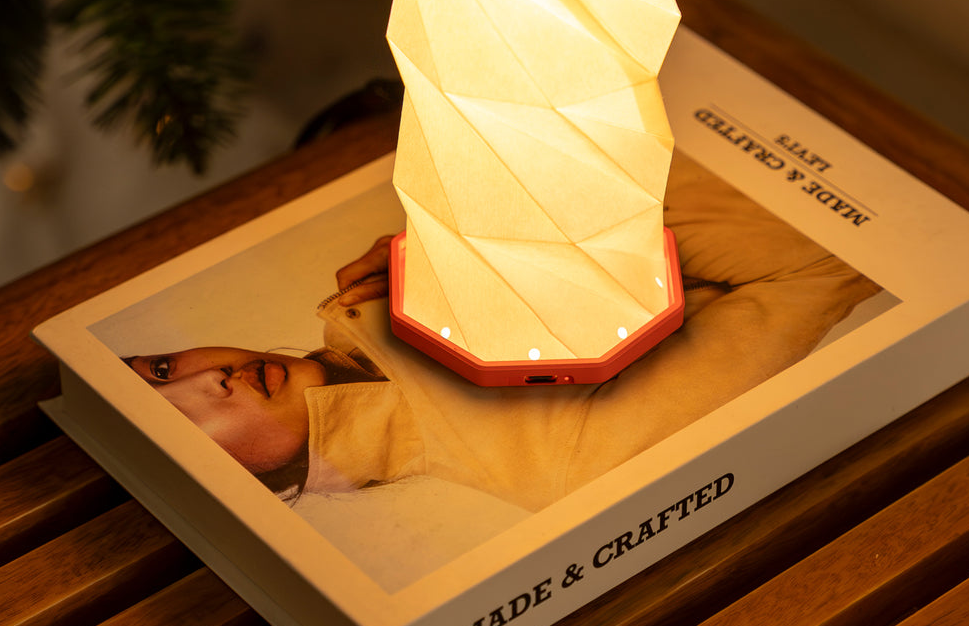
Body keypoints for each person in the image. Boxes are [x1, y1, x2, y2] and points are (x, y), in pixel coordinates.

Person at [126, 152, 880, 516]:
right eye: (184, 421)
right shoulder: (560, 467)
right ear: (249, 490)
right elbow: (826, 262)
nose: (207, 382)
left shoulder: (379, 279)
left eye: (162, 367)